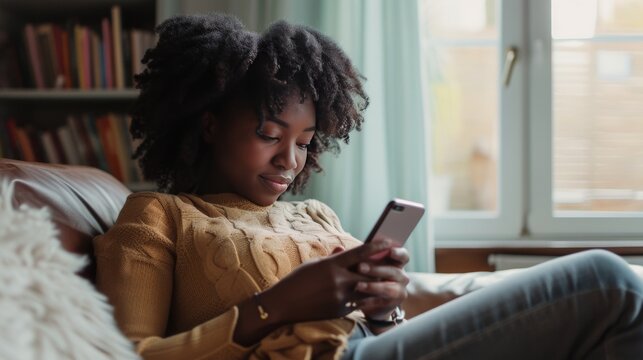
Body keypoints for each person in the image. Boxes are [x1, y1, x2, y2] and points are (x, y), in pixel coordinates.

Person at [94, 13, 643, 360]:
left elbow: (381, 325)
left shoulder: (314, 217)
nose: (290, 159)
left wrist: (386, 309)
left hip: (370, 346)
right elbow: (132, 354)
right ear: (209, 125)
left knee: (605, 311)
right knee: (609, 279)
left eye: (306, 141)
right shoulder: (157, 216)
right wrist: (278, 305)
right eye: (269, 134)